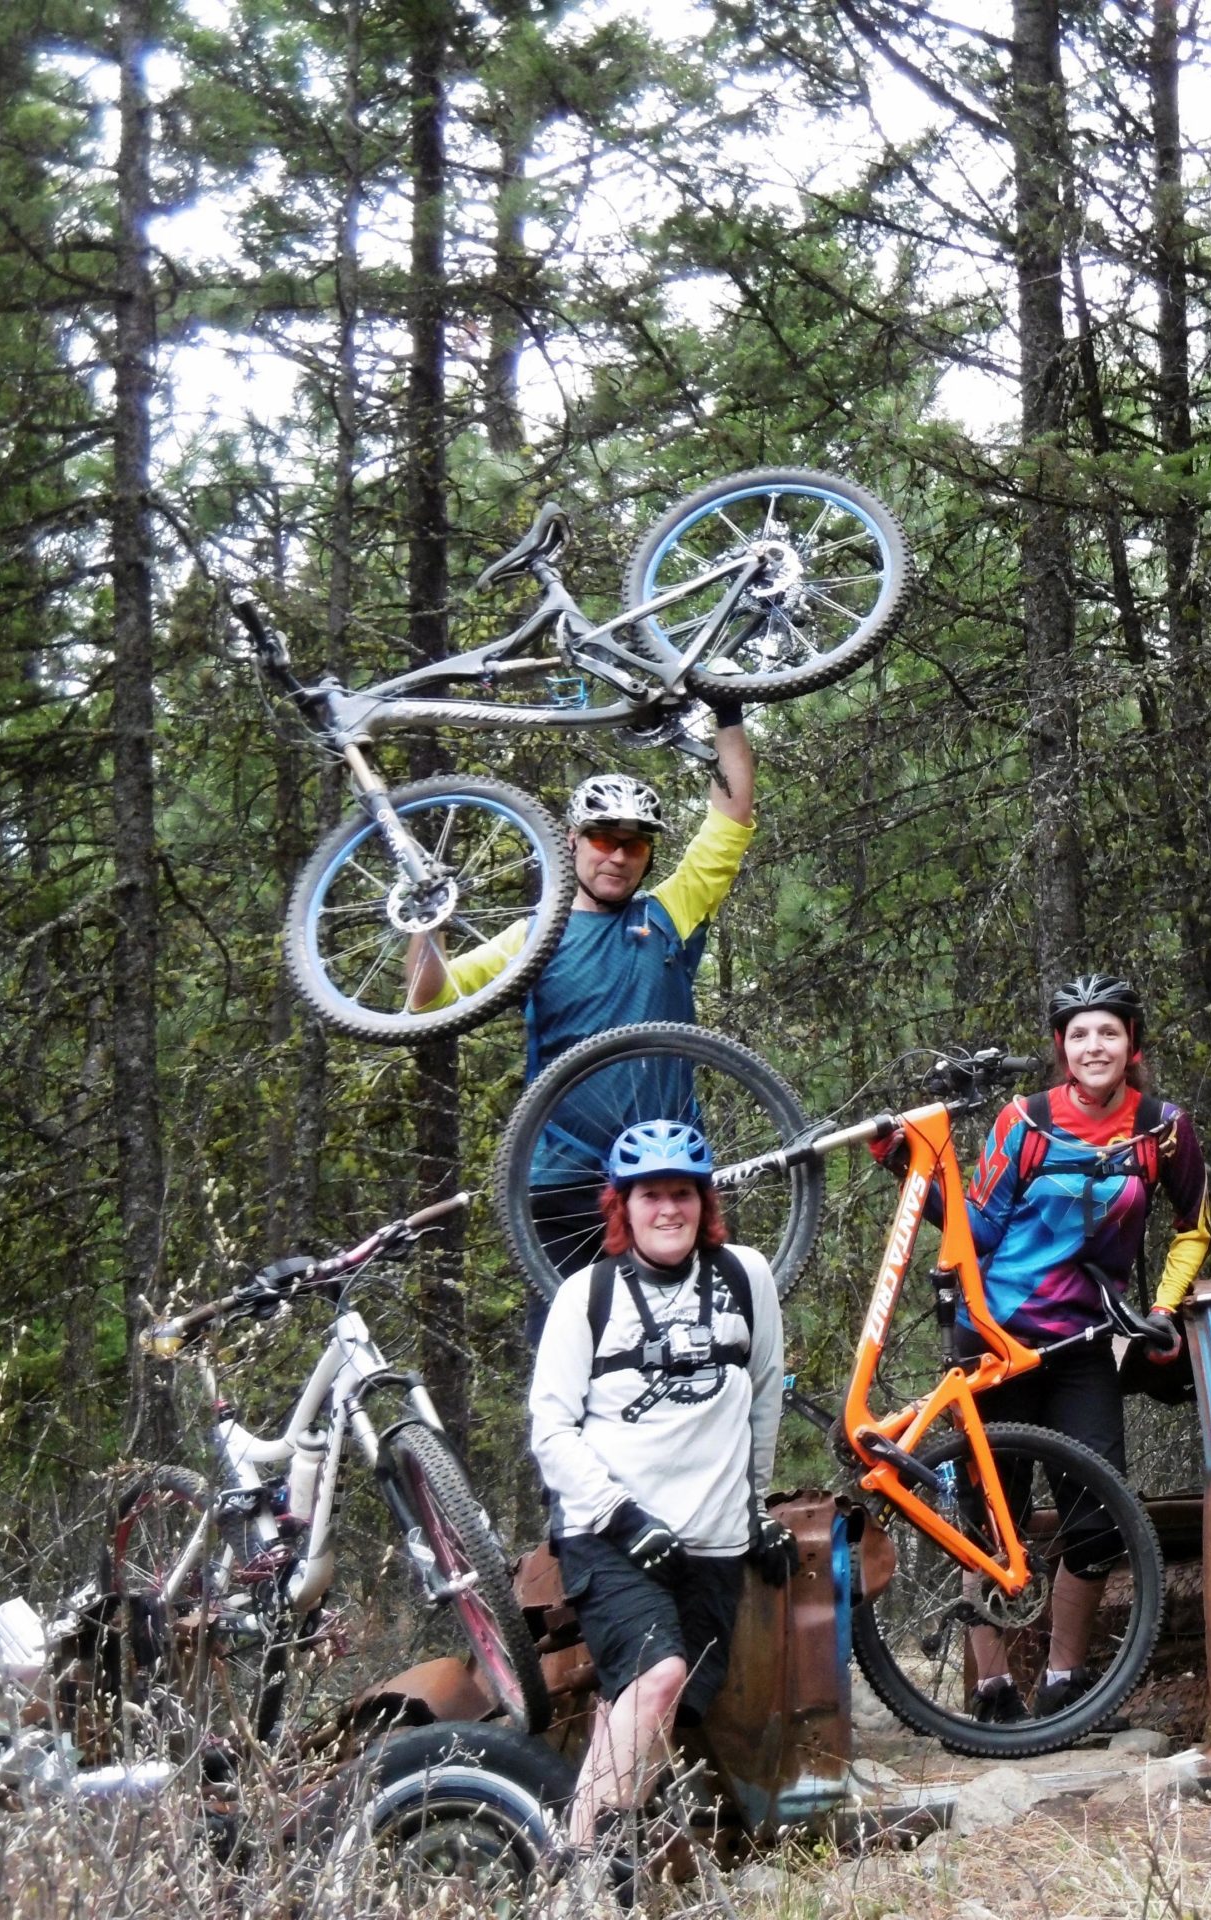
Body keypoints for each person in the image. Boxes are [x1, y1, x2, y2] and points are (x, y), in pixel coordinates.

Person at [884, 972, 1210, 1722]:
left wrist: (1162, 1306)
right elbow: (982, 1230)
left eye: (1109, 1031)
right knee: (986, 1522)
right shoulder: (1023, 1121)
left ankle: (1065, 1683)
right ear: (1061, 1048)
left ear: (1133, 1044)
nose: (1094, 1045)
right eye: (1079, 1033)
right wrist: (910, 1168)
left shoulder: (1164, 1129)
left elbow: (1195, 1227)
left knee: (1097, 1520)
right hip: (995, 1338)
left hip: (1085, 1343)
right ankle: (994, 1692)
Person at [406, 708, 755, 1321]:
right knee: (570, 1352)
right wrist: (424, 918)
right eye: (602, 839)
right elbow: (428, 998)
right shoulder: (534, 937)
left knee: (685, 1345)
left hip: (667, 1169)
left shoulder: (669, 914)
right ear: (571, 842)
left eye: (634, 844)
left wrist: (726, 710)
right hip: (565, 1180)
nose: (617, 857)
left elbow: (730, 817)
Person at [529, 1117, 797, 1884]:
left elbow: (762, 1407)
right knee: (657, 1681)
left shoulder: (746, 1277)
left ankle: (581, 1865)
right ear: (624, 1206)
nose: (668, 1209)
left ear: (704, 1202)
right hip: (611, 1537)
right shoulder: (589, 1295)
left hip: (711, 1543)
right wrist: (620, 1516)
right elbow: (550, 1430)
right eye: (651, 1196)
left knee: (650, 1714)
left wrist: (754, 1511)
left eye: (682, 1193)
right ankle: (584, 1876)